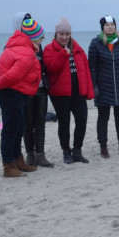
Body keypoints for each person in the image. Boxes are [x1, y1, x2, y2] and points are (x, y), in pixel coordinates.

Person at [0, 13, 42, 178]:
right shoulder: (25, 52)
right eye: (40, 37)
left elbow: (2, 68)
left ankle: (18, 161)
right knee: (11, 129)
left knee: (19, 128)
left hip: (17, 92)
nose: (42, 40)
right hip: (11, 93)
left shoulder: (18, 46)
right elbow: (13, 75)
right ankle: (9, 166)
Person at [45, 17, 94, 164]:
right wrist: (63, 54)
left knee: (82, 121)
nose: (64, 37)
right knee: (64, 123)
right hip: (60, 94)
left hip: (78, 92)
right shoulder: (49, 49)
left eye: (67, 34)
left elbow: (86, 71)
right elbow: (51, 69)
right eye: (61, 34)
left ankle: (77, 151)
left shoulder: (78, 49)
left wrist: (89, 91)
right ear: (56, 34)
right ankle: (66, 152)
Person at [88, 15, 119, 158]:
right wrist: (94, 85)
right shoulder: (95, 44)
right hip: (103, 87)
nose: (110, 26)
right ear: (102, 27)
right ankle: (103, 147)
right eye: (107, 24)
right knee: (103, 117)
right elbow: (92, 67)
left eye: (112, 24)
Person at [22, 23, 53, 168]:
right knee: (28, 123)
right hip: (26, 90)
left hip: (41, 89)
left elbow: (45, 66)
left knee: (40, 123)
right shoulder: (18, 47)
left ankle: (40, 154)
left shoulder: (39, 47)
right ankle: (30, 154)